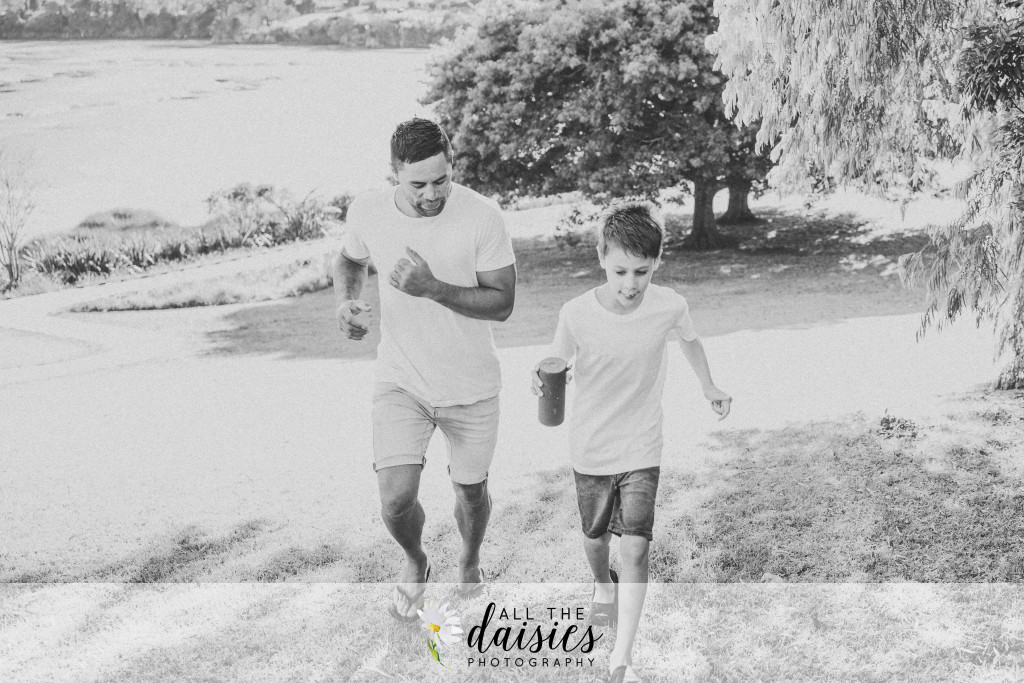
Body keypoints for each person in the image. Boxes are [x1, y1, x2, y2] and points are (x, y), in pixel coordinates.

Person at [531, 202, 731, 683]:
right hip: (592, 447)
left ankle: (622, 659)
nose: (630, 283)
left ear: (657, 262)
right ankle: (603, 585)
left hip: (642, 444)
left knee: (637, 548)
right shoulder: (576, 313)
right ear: (601, 257)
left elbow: (690, 340)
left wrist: (708, 385)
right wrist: (540, 375)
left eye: (642, 271)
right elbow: (554, 359)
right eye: (620, 270)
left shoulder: (669, 305)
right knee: (596, 539)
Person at [333, 118, 517, 621]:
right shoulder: (368, 209)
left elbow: (502, 303)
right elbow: (349, 260)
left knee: (471, 493)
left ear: (452, 164)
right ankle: (416, 560)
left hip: (472, 386)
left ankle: (469, 560)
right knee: (395, 500)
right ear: (394, 171)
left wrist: (432, 287)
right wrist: (346, 302)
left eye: (442, 180)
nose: (432, 194)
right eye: (418, 184)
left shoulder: (482, 216)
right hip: (402, 380)